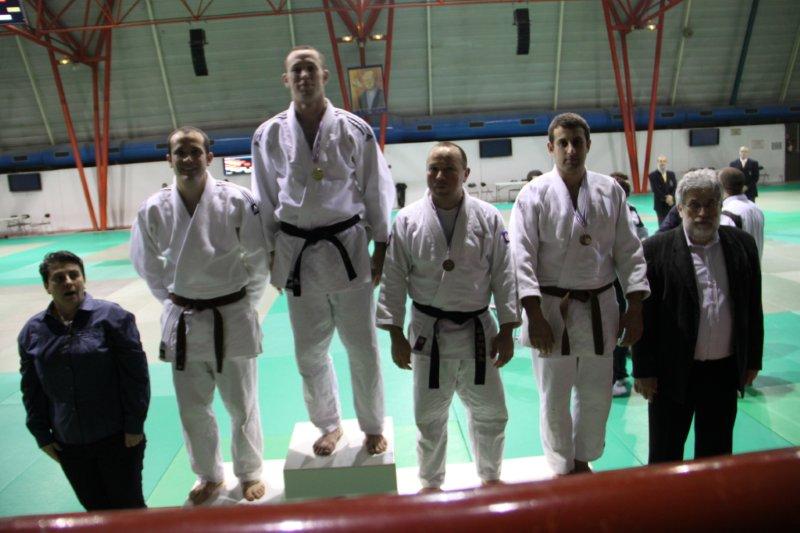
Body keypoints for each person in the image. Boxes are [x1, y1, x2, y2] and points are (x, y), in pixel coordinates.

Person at [251, 45, 395, 457]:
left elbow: (376, 188)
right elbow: (263, 197)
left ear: (324, 75)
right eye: (296, 70)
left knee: (362, 347)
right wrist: (272, 252)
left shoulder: (355, 129)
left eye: (310, 68)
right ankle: (329, 425)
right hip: (297, 253)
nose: (303, 76)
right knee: (309, 351)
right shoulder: (267, 135)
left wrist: (381, 244)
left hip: (348, 248)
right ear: (286, 79)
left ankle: (371, 425)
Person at [130, 126, 269, 504]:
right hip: (185, 318)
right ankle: (209, 475)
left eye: (195, 151)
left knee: (242, 404)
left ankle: (250, 471)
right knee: (193, 407)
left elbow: (258, 258)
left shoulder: (237, 199)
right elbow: (147, 265)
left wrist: (244, 302)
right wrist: (174, 300)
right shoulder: (153, 208)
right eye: (180, 152)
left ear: (209, 157)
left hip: (232, 313)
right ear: (169, 159)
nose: (188, 159)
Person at [510, 112, 649, 476]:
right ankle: (561, 465)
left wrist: (635, 306)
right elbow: (521, 258)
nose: (570, 150)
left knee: (596, 393)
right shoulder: (533, 194)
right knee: (554, 395)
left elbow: (629, 251)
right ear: (550, 148)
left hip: (600, 307)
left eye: (577, 142)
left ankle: (582, 459)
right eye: (563, 143)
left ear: (588, 145)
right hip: (551, 309)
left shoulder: (610, 191)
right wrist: (533, 314)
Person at [377, 142, 518, 491]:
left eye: (449, 169)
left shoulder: (488, 217)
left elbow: (504, 274)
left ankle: (491, 477)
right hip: (429, 333)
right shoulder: (407, 219)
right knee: (429, 418)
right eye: (433, 169)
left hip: (479, 333)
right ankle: (430, 483)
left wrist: (508, 328)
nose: (440, 176)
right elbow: (393, 277)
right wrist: (395, 334)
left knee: (492, 413)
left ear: (465, 174)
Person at [632, 169, 763, 463]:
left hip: (723, 371)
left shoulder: (742, 245)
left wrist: (752, 359)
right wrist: (643, 369)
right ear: (680, 209)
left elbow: (752, 306)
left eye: (711, 204)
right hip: (671, 372)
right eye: (694, 205)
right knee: (665, 455)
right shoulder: (655, 250)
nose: (703, 213)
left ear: (720, 206)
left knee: (716, 456)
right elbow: (644, 315)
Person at [19, 251, 150, 511]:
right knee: (94, 509)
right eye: (59, 278)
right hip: (67, 441)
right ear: (47, 286)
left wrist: (135, 424)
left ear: (83, 279)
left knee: (129, 507)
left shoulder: (113, 317)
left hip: (117, 436)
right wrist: (41, 434)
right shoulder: (32, 331)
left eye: (74, 275)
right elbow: (31, 388)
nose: (68, 282)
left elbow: (136, 376)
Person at [609, 172, 649, 397]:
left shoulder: (627, 211)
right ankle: (616, 373)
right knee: (616, 325)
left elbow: (642, 237)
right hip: (611, 279)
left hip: (624, 278)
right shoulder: (618, 211)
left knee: (622, 324)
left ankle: (619, 373)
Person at [719, 167, 765, 259]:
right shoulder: (756, 209)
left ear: (722, 186)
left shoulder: (728, 213)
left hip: (739, 266)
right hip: (755, 264)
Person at [648, 155, 677, 225]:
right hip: (660, 205)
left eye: (664, 161)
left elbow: (675, 187)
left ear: (666, 163)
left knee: (673, 223)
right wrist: (666, 198)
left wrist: (672, 197)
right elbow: (655, 190)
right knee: (662, 224)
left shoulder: (671, 174)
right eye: (660, 161)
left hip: (671, 204)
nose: (662, 163)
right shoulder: (652, 175)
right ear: (657, 162)